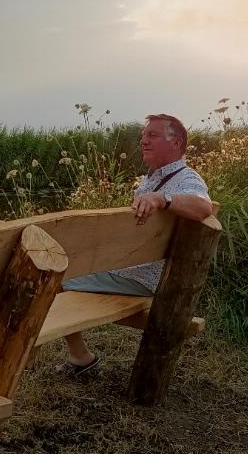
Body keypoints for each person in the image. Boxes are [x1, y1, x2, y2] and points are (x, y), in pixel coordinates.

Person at [57, 113, 213, 376]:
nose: (143, 141)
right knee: (66, 266)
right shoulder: (151, 179)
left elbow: (203, 206)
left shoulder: (186, 179)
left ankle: (79, 357)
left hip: (142, 279)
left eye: (153, 135)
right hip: (130, 270)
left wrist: (161, 198)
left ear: (176, 143)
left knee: (55, 278)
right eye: (143, 136)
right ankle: (77, 354)